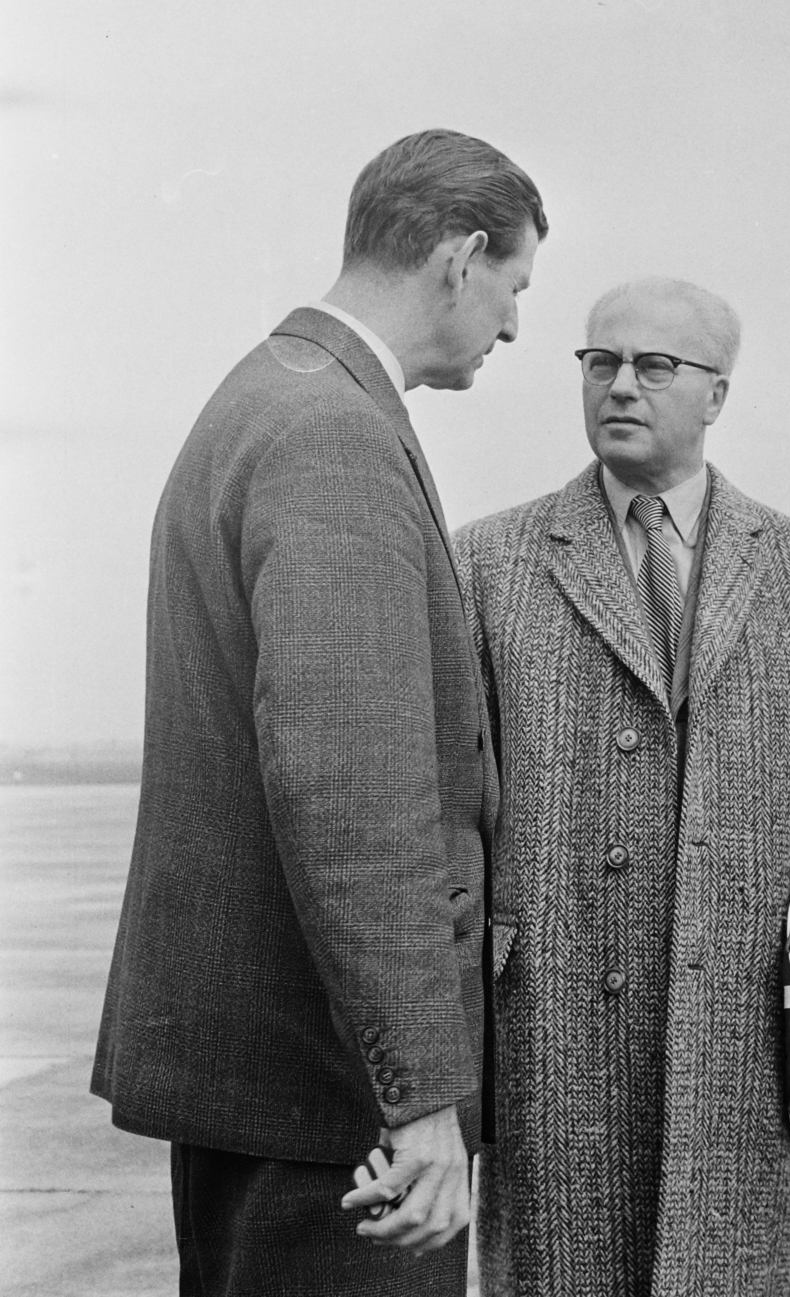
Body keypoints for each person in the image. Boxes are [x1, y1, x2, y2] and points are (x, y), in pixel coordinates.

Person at [91, 128, 548, 1295]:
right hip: (330, 1104)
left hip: (262, 1080)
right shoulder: (336, 437)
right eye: (513, 288)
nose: (511, 327)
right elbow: (354, 798)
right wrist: (425, 1101)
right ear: (461, 255)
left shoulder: (268, 394)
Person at [454, 276, 790, 1296]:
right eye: (598, 361)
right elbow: (453, 815)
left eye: (654, 366)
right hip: (549, 1015)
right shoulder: (489, 559)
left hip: (738, 1017)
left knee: (723, 1271)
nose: (620, 385)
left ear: (716, 394)